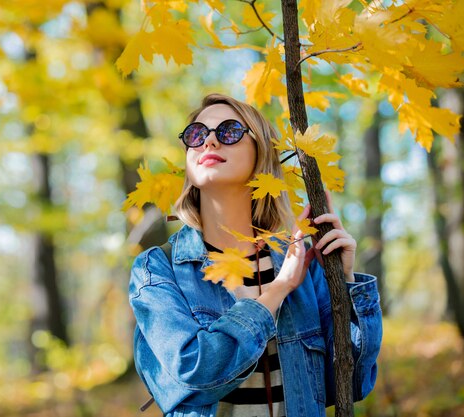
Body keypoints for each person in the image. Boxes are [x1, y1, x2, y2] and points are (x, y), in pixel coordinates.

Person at [129, 93, 382, 417]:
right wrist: (278, 290)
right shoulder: (158, 268)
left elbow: (352, 382)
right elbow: (196, 369)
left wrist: (344, 281)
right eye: (196, 134)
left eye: (229, 131)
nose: (209, 142)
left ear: (261, 152)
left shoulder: (303, 263)